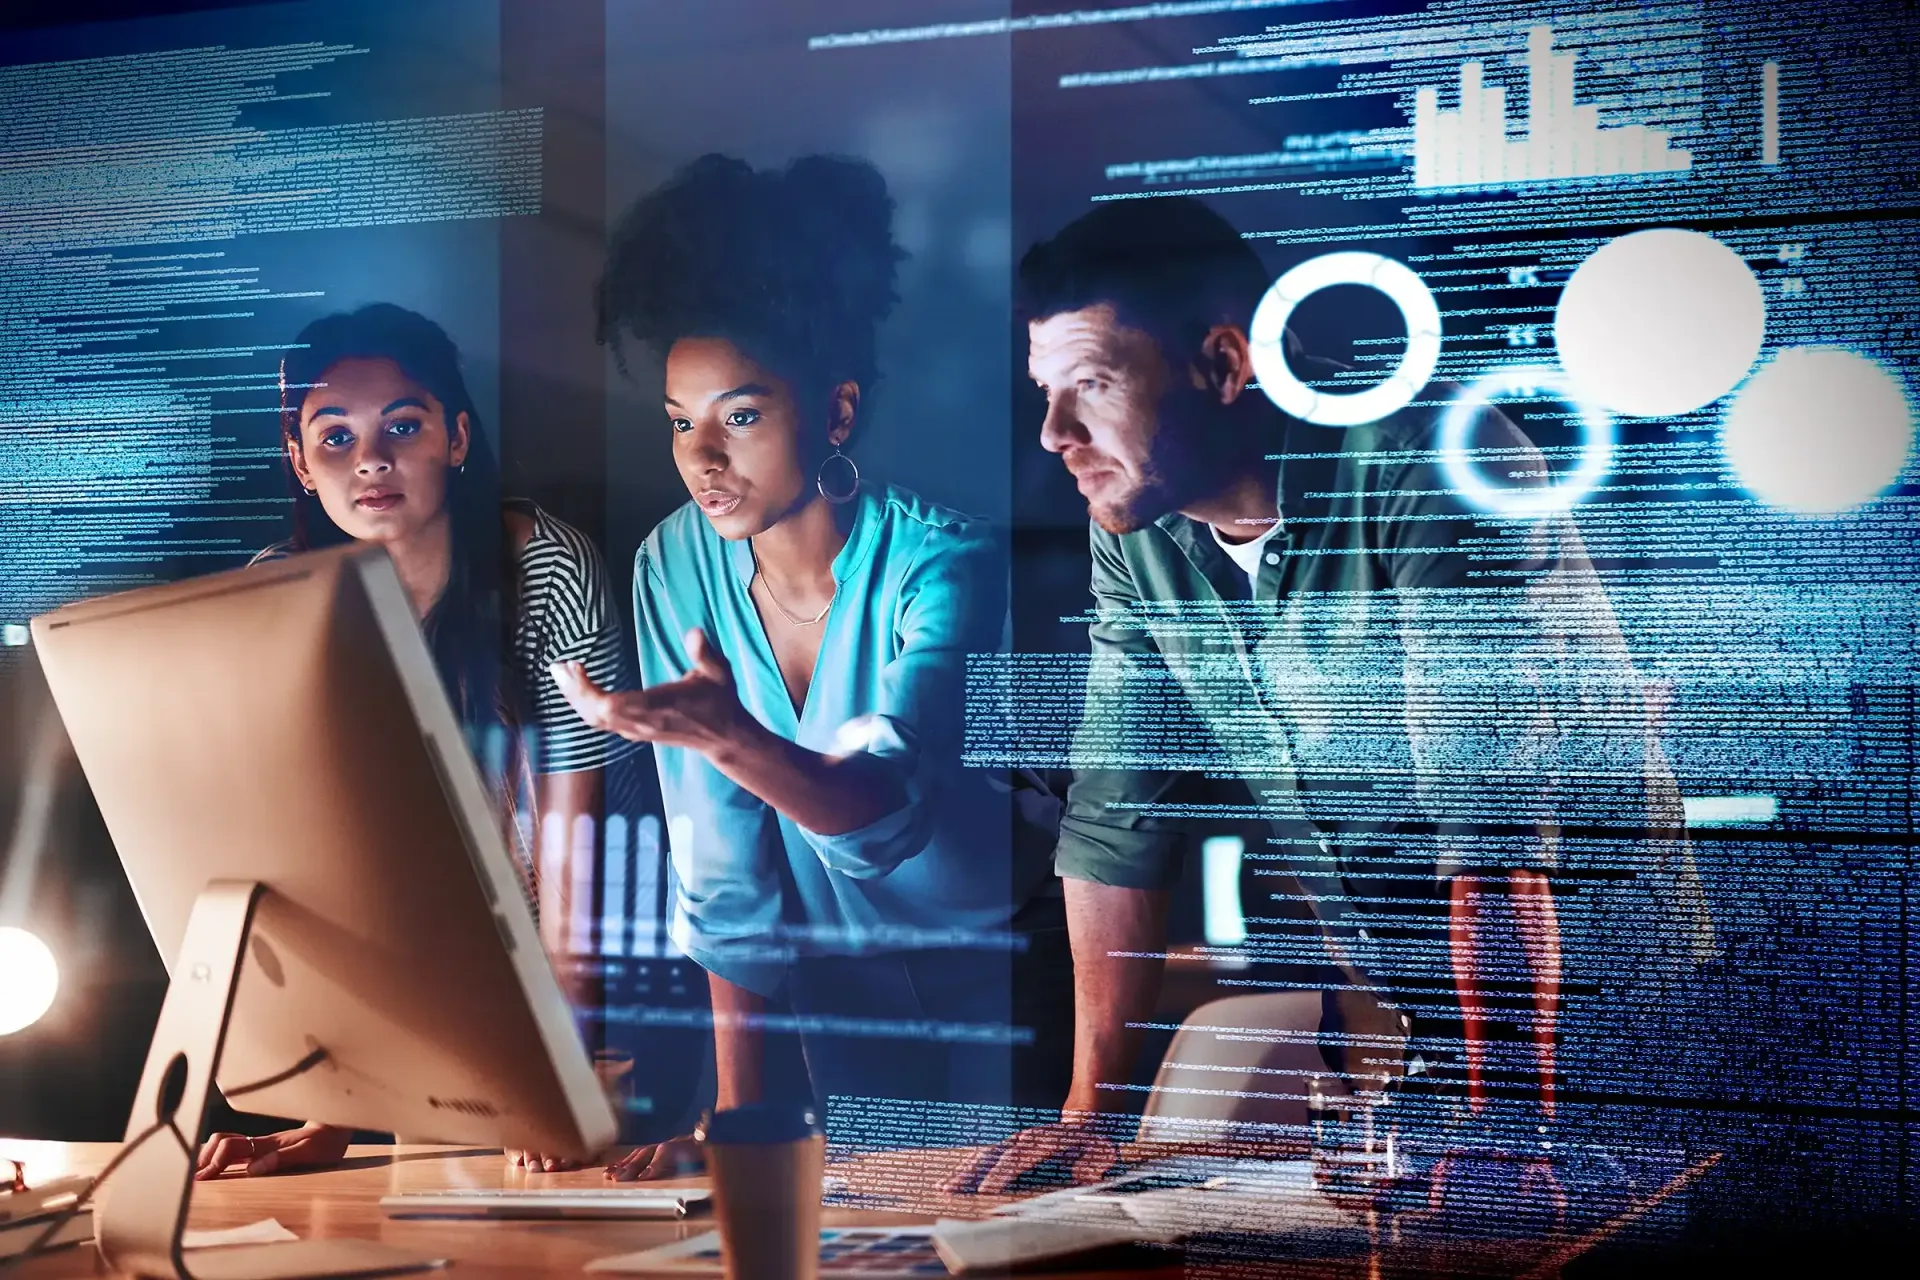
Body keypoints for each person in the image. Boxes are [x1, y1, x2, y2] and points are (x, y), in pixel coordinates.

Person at [950, 197, 1711, 1195]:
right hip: (1424, 1022)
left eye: (1091, 383)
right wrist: (1090, 1119)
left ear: (1225, 364)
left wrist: (1509, 1127)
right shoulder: (1133, 529)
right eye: (1047, 391)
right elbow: (1116, 818)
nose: (1055, 432)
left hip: (1616, 1029)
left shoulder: (1436, 460)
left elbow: (1489, 833)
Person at [555, 154, 1069, 1180]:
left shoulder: (944, 560)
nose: (703, 456)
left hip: (996, 979)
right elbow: (721, 870)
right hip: (833, 996)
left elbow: (883, 813)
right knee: (855, 1237)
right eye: (680, 421)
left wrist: (735, 740)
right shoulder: (673, 564)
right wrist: (735, 1117)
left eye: (740, 415)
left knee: (988, 1237)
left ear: (835, 412)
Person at [195, 303, 635, 1178]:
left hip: (588, 1003)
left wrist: (555, 1081)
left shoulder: (546, 568)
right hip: (404, 1014)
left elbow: (575, 871)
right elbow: (321, 868)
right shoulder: (276, 593)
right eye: (335, 436)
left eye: (403, 425)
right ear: (300, 462)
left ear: (456, 437)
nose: (371, 459)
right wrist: (328, 1114)